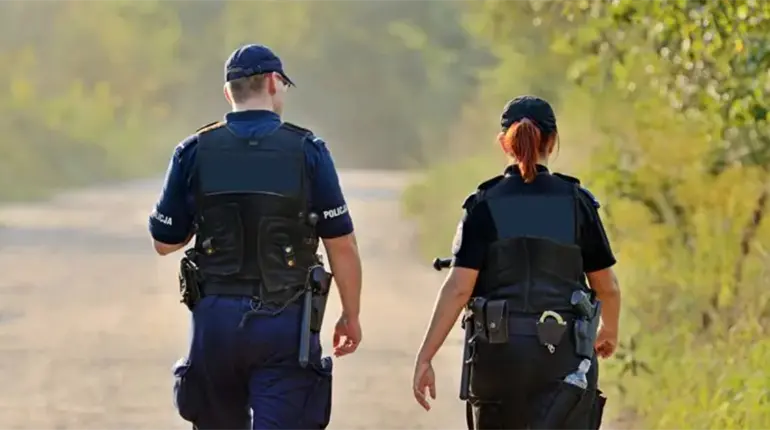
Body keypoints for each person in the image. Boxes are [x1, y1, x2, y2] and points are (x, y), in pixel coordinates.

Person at [148, 44, 364, 430]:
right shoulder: (308, 151)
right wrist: (351, 315)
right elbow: (341, 244)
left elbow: (164, 242)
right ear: (272, 82)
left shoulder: (193, 151)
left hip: (214, 320)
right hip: (286, 320)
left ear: (228, 91)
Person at [411, 95, 621, 430]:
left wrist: (426, 356)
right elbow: (606, 287)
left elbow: (458, 290)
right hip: (563, 358)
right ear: (552, 141)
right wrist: (608, 329)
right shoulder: (577, 203)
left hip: (497, 357)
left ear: (503, 143)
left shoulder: (483, 204)